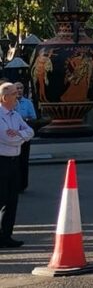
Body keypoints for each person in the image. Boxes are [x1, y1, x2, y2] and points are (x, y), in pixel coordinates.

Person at [0, 82, 34, 247]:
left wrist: (19, 134)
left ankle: (7, 235)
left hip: (14, 161)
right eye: (14, 94)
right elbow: (8, 138)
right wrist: (21, 137)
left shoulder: (15, 115)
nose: (17, 96)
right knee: (1, 199)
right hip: (2, 161)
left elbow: (30, 131)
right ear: (4, 97)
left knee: (12, 200)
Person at [13, 83, 35, 193]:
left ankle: (23, 184)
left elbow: (33, 117)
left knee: (24, 160)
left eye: (21, 88)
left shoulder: (28, 103)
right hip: (13, 137)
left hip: (24, 135)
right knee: (15, 161)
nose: (19, 90)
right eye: (17, 88)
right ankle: (15, 184)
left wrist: (24, 120)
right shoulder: (11, 103)